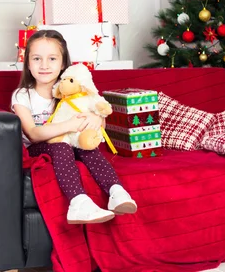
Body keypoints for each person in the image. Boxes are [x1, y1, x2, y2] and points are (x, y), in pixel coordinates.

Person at [11, 29, 137, 224]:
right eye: (37, 59)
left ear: (63, 63)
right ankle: (78, 203)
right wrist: (70, 124)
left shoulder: (74, 92)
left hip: (71, 142)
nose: (44, 65)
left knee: (88, 149)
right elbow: (34, 134)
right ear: (28, 63)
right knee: (62, 147)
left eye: (52, 59)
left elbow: (98, 118)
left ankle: (116, 192)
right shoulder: (22, 95)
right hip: (37, 148)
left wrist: (96, 119)